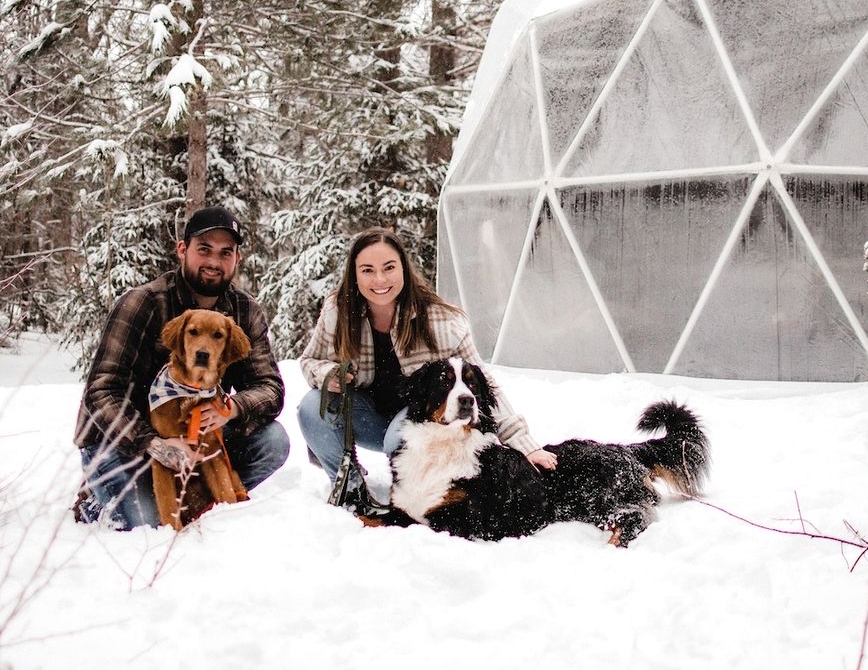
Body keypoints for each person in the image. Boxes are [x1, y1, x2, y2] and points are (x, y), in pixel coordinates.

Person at [296, 226, 556, 503]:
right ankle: (350, 488)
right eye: (367, 270)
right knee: (312, 408)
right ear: (354, 274)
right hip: (365, 416)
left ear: (404, 270)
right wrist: (327, 374)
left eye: (389, 267)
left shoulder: (443, 321)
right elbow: (310, 360)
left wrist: (525, 445)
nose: (379, 279)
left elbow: (483, 386)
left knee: (399, 439)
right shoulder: (338, 311)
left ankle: (422, 494)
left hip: (419, 421)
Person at [75, 206, 291, 529]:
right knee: (150, 527)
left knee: (273, 442)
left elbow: (270, 389)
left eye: (225, 253)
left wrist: (231, 408)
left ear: (237, 258)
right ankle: (98, 498)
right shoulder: (143, 303)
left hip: (195, 435)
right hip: (122, 442)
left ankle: (197, 497)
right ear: (182, 249)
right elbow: (101, 392)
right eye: (204, 249)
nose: (214, 262)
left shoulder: (244, 313)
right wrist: (153, 442)